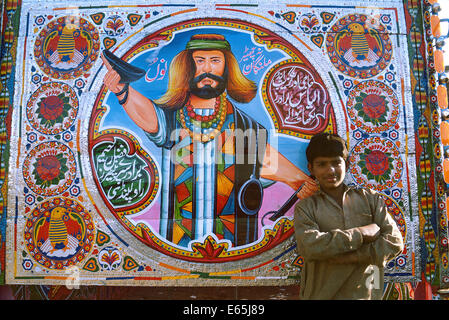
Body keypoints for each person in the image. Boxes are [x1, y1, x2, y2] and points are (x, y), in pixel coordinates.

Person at [101, 33, 318, 247]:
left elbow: (261, 158)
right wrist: (121, 90)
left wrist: (298, 180)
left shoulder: (244, 125)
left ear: (227, 67)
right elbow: (149, 116)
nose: (207, 69)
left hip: (233, 241)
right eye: (200, 61)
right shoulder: (173, 118)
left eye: (215, 61)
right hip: (178, 241)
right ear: (187, 66)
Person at [293, 132, 403, 299]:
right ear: (311, 169)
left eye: (336, 163)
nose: (330, 170)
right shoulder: (307, 207)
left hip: (367, 295)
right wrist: (360, 233)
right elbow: (309, 247)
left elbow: (394, 242)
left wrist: (355, 256)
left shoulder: (370, 199)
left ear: (347, 164)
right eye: (321, 164)